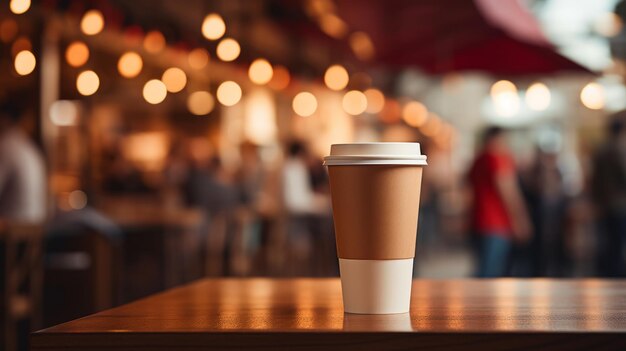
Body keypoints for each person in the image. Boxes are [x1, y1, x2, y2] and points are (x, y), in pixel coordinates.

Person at [468, 126, 531, 277]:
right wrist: (521, 221)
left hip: (478, 222)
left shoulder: (477, 160)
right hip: (498, 224)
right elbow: (509, 192)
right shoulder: (498, 158)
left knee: (483, 268)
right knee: (491, 273)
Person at [0, 100, 46, 223]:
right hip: (34, 227)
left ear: (4, 118)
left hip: (12, 232)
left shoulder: (6, 145)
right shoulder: (27, 145)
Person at [591, 114, 626, 277]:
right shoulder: (619, 149)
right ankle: (617, 274)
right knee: (618, 242)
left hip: (604, 203)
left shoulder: (601, 149)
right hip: (620, 204)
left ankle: (607, 272)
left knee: (607, 241)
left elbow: (594, 179)